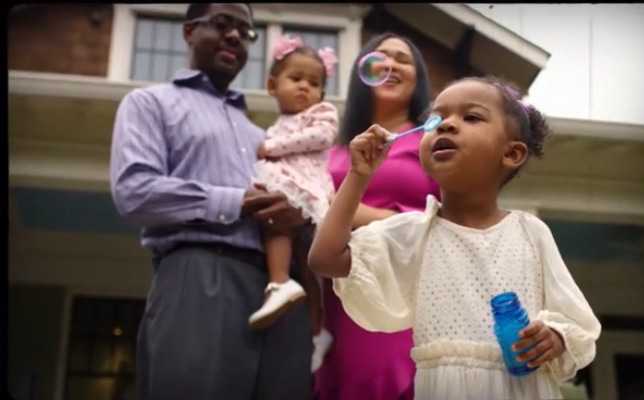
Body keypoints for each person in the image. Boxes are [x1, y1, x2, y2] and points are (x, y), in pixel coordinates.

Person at [308, 76, 602, 399]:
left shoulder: (531, 233)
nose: (446, 125)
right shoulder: (414, 233)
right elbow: (325, 258)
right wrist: (358, 176)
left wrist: (556, 337)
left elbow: (576, 321)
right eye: (437, 117)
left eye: (471, 117)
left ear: (512, 153)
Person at [110, 4, 313, 399]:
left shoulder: (263, 136)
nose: (235, 36)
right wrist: (238, 200)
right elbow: (134, 191)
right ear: (188, 32)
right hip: (200, 275)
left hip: (281, 288)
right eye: (222, 25)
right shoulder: (150, 104)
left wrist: (298, 218)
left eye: (245, 31)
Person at [314, 33, 440, 399]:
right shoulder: (335, 149)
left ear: (418, 79)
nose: (390, 65)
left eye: (403, 59)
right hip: (328, 294)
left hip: (397, 294)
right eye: (379, 57)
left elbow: (442, 223)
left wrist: (351, 212)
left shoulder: (429, 143)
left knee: (382, 380)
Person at [247, 33, 338, 370]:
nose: (305, 88)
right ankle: (316, 330)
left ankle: (280, 283)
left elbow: (322, 137)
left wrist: (271, 149)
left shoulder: (322, 114)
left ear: (322, 94)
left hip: (307, 191)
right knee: (306, 267)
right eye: (295, 78)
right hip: (289, 191)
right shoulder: (273, 127)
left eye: (313, 83)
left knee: (291, 242)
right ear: (272, 86)